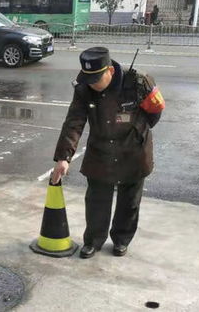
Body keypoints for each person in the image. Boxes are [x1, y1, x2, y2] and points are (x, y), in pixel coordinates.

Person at [51, 47, 165, 259]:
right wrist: (63, 158)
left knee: (129, 202)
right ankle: (93, 241)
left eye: (97, 78)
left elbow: (155, 111)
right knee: (96, 200)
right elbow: (74, 121)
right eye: (89, 79)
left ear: (110, 71)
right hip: (101, 151)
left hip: (133, 151)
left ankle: (121, 240)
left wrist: (137, 132)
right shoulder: (84, 87)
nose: (92, 84)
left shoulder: (138, 82)